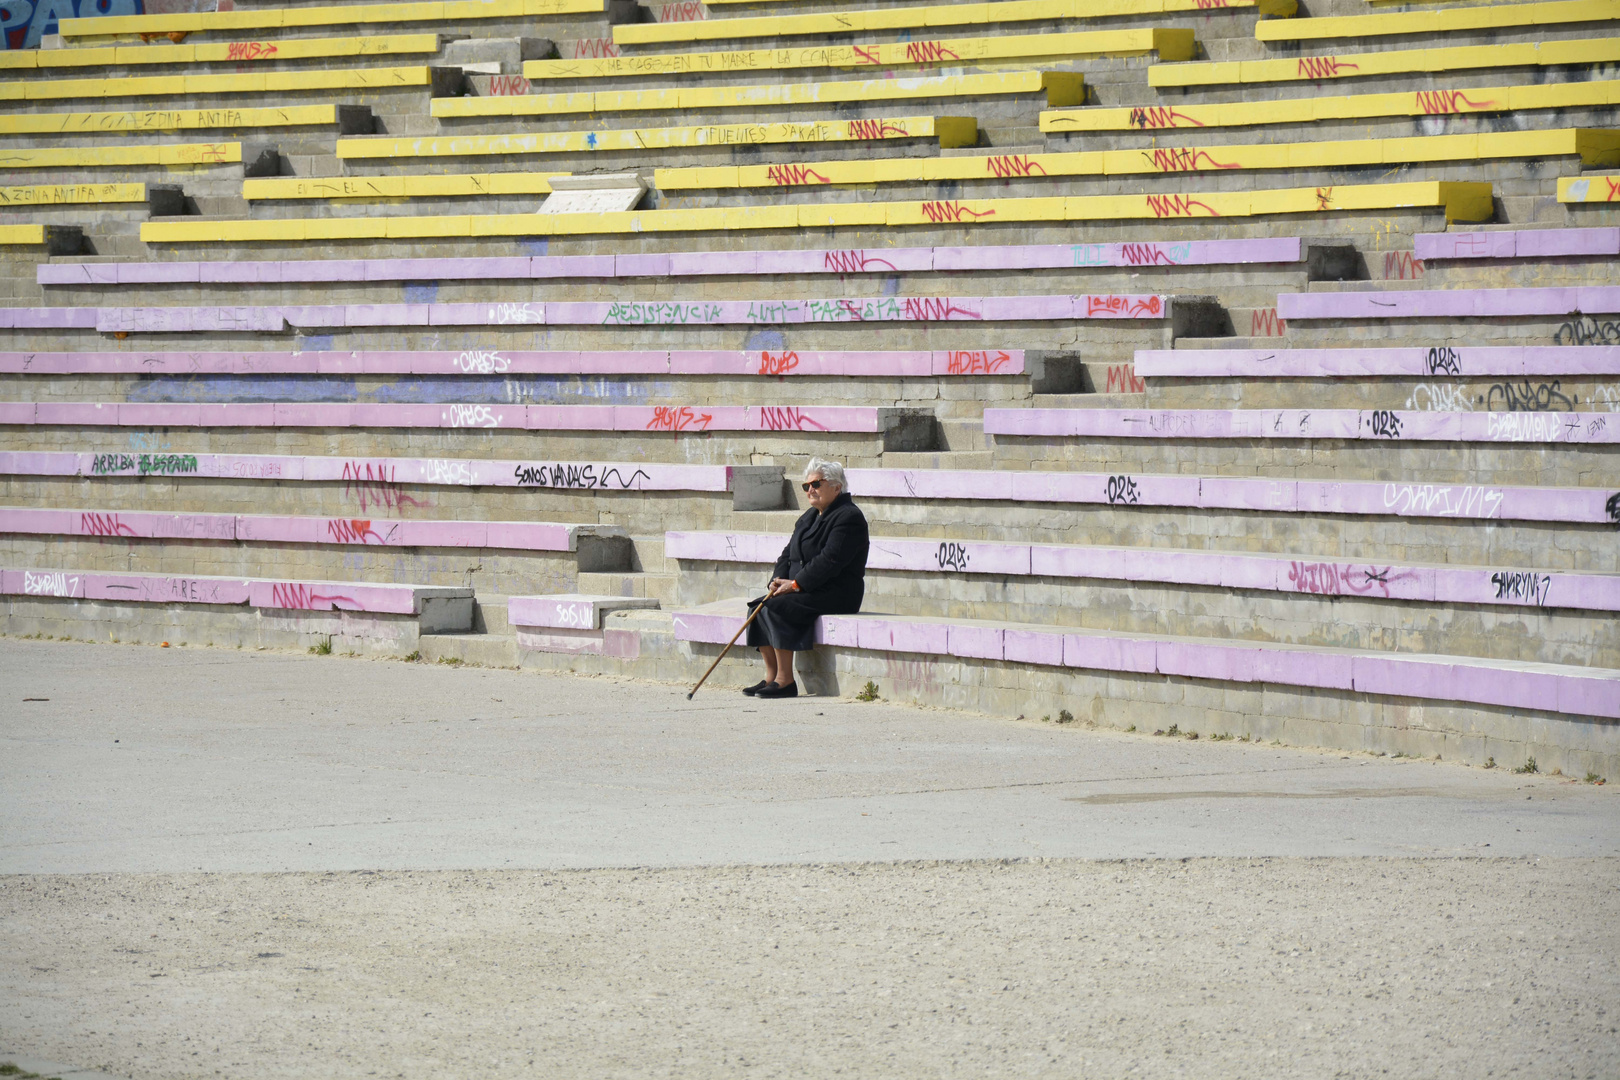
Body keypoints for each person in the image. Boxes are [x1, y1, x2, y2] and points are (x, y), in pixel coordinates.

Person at [743, 458, 869, 699]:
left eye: (816, 484)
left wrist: (797, 584)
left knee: (776, 608)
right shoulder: (808, 517)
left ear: (836, 487)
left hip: (836, 592)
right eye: (807, 486)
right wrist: (777, 579)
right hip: (805, 589)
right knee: (758, 607)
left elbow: (829, 561)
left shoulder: (848, 517)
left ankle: (785, 680)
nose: (810, 490)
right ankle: (771, 677)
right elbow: (787, 553)